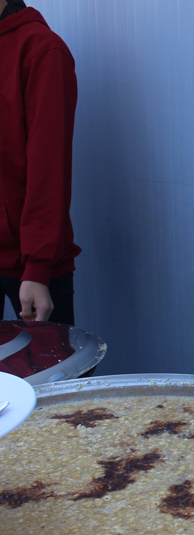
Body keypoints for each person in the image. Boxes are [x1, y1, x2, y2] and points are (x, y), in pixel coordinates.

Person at [0, 0, 80, 325]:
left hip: (29, 267)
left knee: (50, 359)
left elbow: (48, 167)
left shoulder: (42, 50)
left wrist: (38, 267)